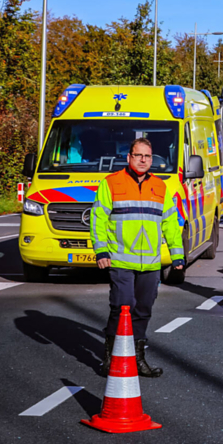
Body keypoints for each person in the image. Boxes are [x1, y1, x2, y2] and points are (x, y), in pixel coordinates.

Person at [92, 137, 183, 378]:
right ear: (129, 157)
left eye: (147, 156)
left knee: (143, 310)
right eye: (138, 155)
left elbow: (171, 223)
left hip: (150, 263)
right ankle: (110, 357)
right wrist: (101, 250)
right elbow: (98, 218)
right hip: (120, 259)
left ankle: (137, 359)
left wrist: (177, 255)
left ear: (152, 159)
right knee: (122, 307)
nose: (143, 160)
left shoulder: (161, 187)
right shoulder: (111, 183)